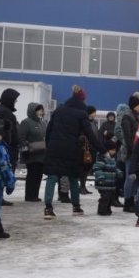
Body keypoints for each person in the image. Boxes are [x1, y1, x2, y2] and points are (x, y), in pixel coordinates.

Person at [43, 86, 105, 218]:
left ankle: (48, 208)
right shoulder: (81, 114)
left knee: (52, 177)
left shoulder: (59, 110)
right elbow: (90, 134)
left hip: (54, 147)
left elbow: (49, 130)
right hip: (71, 149)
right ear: (82, 100)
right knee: (73, 178)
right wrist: (101, 149)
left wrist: (49, 145)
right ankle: (76, 207)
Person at [18, 102, 47, 202]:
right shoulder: (26, 122)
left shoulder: (42, 123)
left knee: (38, 175)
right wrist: (25, 150)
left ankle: (35, 194)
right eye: (38, 110)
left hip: (42, 153)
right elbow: (21, 138)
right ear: (33, 111)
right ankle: (29, 195)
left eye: (41, 110)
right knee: (32, 175)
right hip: (31, 154)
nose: (40, 112)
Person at [120, 95, 139, 212]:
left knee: (136, 178)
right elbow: (127, 136)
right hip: (130, 152)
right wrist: (133, 151)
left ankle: (133, 200)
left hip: (138, 151)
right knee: (130, 177)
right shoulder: (127, 117)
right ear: (135, 105)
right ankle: (127, 201)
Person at [93, 140, 121, 216]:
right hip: (103, 183)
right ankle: (102, 210)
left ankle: (107, 209)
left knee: (109, 197)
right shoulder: (102, 158)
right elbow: (97, 168)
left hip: (110, 183)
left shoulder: (112, 159)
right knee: (105, 197)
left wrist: (118, 172)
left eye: (115, 150)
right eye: (112, 150)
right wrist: (101, 177)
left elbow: (114, 168)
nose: (114, 152)